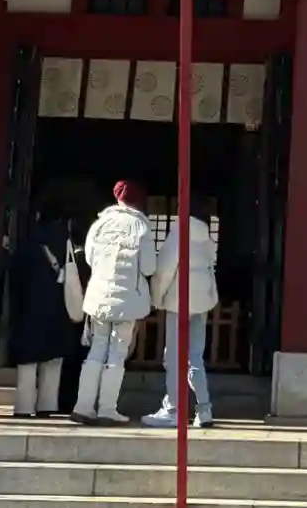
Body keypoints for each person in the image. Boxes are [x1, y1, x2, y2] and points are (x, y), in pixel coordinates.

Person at [73, 179, 158, 423]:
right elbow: (149, 267)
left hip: (99, 294)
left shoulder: (99, 224)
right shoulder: (141, 227)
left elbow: (89, 259)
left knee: (96, 349)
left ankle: (83, 406)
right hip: (128, 299)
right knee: (117, 353)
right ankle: (107, 409)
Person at [144, 194, 218, 428]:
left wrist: (157, 298)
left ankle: (174, 408)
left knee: (174, 357)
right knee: (195, 357)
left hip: (179, 299)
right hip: (202, 300)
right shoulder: (206, 236)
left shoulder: (179, 232)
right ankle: (204, 409)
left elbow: (165, 269)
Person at [6, 206, 78, 417]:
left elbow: (15, 282)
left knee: (28, 363)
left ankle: (24, 406)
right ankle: (47, 404)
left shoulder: (27, 246)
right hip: (59, 310)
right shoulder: (67, 246)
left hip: (30, 310)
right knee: (53, 362)